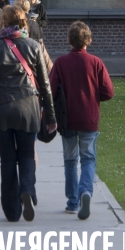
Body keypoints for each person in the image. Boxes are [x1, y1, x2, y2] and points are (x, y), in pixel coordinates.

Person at [0, 5, 56, 222]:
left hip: (0, 109)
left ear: (3, 22)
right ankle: (27, 189)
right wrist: (50, 116)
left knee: (8, 160)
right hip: (28, 107)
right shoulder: (34, 46)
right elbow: (45, 84)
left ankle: (11, 210)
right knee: (27, 154)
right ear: (24, 23)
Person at [49, 21, 113, 219]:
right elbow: (108, 92)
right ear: (89, 41)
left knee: (70, 160)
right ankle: (86, 191)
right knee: (88, 158)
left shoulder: (60, 63)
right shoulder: (96, 63)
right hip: (89, 117)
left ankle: (72, 201)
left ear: (68, 40)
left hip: (68, 119)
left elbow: (51, 90)